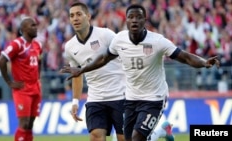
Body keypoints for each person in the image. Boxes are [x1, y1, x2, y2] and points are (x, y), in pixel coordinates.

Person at [60, 4, 220, 141]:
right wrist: (82, 70)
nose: (134, 20)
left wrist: (204, 62)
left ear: (145, 21)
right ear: (126, 21)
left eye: (138, 17)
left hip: (153, 98)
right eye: (131, 17)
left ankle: (158, 132)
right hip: (130, 98)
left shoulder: (157, 41)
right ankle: (162, 132)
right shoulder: (119, 40)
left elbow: (184, 57)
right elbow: (103, 59)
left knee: (137, 138)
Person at [61, 2, 125, 141]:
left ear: (88, 16)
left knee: (124, 138)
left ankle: (159, 132)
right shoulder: (70, 47)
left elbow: (125, 54)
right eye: (72, 16)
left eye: (79, 14)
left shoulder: (105, 35)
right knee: (95, 136)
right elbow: (77, 75)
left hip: (120, 95)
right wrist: (75, 102)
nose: (75, 18)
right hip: (96, 98)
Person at [0, 17, 42, 141]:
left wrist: (39, 77)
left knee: (30, 124)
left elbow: (39, 60)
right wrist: (9, 82)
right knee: (24, 123)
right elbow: (1, 60)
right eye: (32, 25)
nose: (36, 27)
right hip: (22, 88)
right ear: (24, 29)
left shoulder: (38, 45)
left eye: (35, 24)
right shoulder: (17, 44)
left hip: (35, 87)